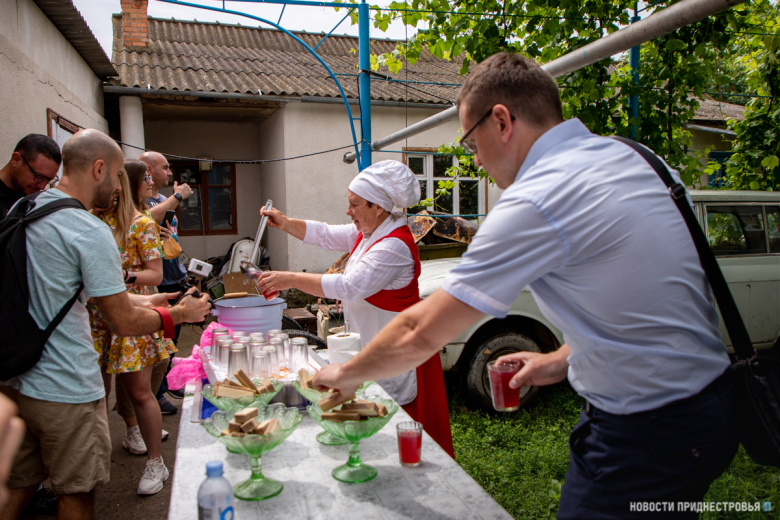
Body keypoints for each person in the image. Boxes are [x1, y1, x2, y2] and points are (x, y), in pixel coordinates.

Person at [313, 53, 739, 519]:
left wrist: (346, 375)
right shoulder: (640, 159)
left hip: (646, 429)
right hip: (712, 408)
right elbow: (652, 304)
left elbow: (421, 330)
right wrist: (561, 359)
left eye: (470, 141)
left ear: (501, 121)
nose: (476, 160)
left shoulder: (537, 196)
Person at [0, 129, 210, 520]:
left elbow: (73, 291)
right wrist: (180, 314)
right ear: (99, 169)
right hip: (65, 387)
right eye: (116, 176)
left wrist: (145, 298)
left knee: (19, 484)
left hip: (16, 377)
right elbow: (123, 321)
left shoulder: (25, 209)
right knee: (77, 492)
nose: (118, 187)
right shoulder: (88, 229)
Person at [256, 160, 454, 457]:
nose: (348, 211)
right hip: (373, 346)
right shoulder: (369, 232)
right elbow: (324, 234)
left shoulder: (394, 245)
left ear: (378, 207)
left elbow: (350, 285)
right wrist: (285, 222)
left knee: (397, 427)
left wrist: (291, 279)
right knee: (374, 422)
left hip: (399, 351)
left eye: (354, 204)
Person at [88, 159, 175, 495]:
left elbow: (155, 274)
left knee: (140, 393)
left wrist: (122, 276)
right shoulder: (94, 220)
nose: (151, 183)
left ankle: (156, 462)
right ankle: (95, 459)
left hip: (132, 311)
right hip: (95, 318)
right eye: (147, 178)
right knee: (96, 393)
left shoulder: (142, 224)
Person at [139, 151, 192, 411]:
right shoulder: (140, 202)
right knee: (157, 339)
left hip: (173, 275)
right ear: (148, 170)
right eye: (165, 167)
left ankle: (168, 382)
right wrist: (177, 196)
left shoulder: (163, 199)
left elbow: (169, 232)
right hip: (154, 280)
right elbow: (148, 219)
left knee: (171, 337)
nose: (169, 172)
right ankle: (156, 394)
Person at [0, 134, 61, 217]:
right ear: (16, 160)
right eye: (39, 176)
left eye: (49, 180)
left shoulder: (38, 202)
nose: (42, 186)